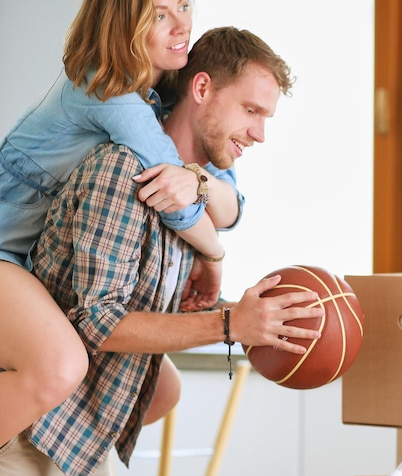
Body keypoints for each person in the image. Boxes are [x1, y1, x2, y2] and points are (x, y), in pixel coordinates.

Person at [0, 26, 318, 476]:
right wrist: (231, 324)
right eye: (251, 111)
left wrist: (242, 307)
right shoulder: (124, 173)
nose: (260, 134)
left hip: (85, 440)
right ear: (201, 89)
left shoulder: (190, 194)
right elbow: (96, 323)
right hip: (33, 435)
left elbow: (230, 209)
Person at [0, 0, 242, 448]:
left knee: (161, 391)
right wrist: (213, 254)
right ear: (124, 24)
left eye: (185, 5)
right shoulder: (108, 92)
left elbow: (226, 199)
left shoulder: (158, 92)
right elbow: (179, 202)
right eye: (160, 14)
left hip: (24, 261)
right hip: (3, 254)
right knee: (64, 365)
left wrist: (201, 182)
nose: (182, 24)